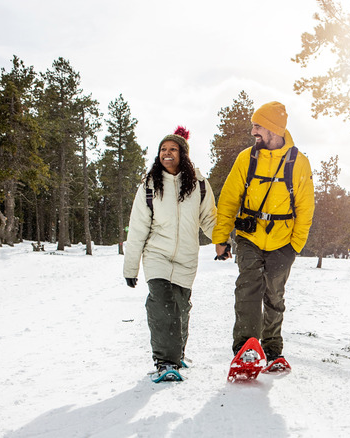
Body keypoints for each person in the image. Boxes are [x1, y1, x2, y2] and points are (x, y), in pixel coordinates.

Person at [212, 101, 315, 368]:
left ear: (273, 128)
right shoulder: (247, 159)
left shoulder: (299, 163)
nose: (253, 131)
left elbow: (305, 208)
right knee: (247, 288)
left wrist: (295, 246)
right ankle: (246, 349)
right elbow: (229, 200)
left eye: (258, 126)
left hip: (283, 242)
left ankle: (272, 350)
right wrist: (221, 238)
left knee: (274, 295)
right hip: (249, 237)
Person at [123, 126, 217, 382]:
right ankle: (165, 361)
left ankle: (177, 353)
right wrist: (130, 268)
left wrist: (222, 241)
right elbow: (138, 228)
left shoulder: (198, 184)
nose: (167, 153)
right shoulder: (150, 185)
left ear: (183, 154)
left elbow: (209, 220)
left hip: (186, 257)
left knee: (180, 308)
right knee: (162, 305)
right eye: (163, 149)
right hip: (157, 255)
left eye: (173, 149)